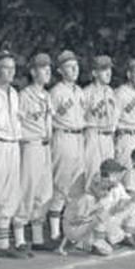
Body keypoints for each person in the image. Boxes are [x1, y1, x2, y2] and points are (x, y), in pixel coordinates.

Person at [0, 49, 26, 257]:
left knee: (11, 194)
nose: (10, 72)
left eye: (13, 68)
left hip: (13, 144)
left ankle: (3, 243)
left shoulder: (14, 93)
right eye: (5, 68)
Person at [13, 52, 53, 253]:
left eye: (49, 68)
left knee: (44, 193)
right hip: (31, 145)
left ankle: (37, 238)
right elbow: (17, 123)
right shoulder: (24, 95)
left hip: (46, 146)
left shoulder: (47, 95)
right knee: (27, 190)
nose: (47, 71)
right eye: (42, 68)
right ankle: (19, 239)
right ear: (32, 71)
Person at [61, 159, 135, 257]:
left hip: (97, 223)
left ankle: (119, 238)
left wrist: (120, 206)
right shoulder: (88, 196)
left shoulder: (115, 186)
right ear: (110, 175)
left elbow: (125, 200)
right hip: (76, 227)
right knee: (102, 220)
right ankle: (86, 242)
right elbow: (79, 220)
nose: (120, 176)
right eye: (117, 173)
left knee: (133, 207)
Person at [48, 50, 86, 242]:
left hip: (79, 137)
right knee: (60, 185)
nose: (74, 70)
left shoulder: (79, 91)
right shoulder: (56, 91)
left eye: (76, 66)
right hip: (63, 137)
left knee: (77, 187)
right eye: (69, 67)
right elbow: (50, 119)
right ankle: (54, 232)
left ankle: (70, 231)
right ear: (60, 70)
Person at [81, 55, 117, 189]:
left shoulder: (111, 92)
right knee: (93, 176)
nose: (109, 73)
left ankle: (105, 209)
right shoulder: (86, 93)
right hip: (93, 135)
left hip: (108, 137)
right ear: (94, 73)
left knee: (110, 178)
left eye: (110, 69)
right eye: (103, 69)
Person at [114, 58, 135, 167]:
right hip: (128, 137)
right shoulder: (120, 92)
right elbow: (113, 121)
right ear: (129, 74)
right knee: (126, 172)